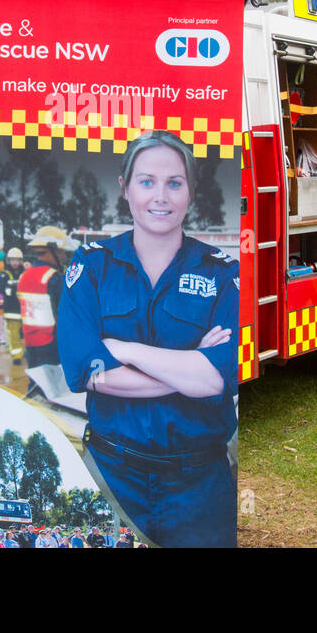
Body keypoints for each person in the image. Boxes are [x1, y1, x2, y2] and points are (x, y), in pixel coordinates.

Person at [58, 130, 238, 547]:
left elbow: (218, 379)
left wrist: (127, 350)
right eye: (147, 181)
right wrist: (190, 365)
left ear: (191, 191)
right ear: (125, 188)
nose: (161, 196)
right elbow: (88, 371)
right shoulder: (91, 268)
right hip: (110, 475)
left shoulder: (222, 274)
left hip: (201, 488)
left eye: (175, 182)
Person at [19, 227, 77, 369]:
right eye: (62, 251)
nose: (64, 256)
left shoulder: (24, 276)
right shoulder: (54, 278)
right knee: (52, 387)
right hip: (51, 344)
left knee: (37, 383)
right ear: (54, 250)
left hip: (30, 342)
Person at [0, 248, 26, 358]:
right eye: (12, 260)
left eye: (17, 260)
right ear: (9, 261)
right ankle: (16, 356)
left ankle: (25, 353)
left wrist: (12, 288)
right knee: (14, 334)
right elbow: (2, 289)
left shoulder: (25, 273)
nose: (15, 262)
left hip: (24, 309)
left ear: (20, 261)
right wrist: (15, 290)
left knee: (25, 334)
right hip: (11, 310)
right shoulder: (4, 274)